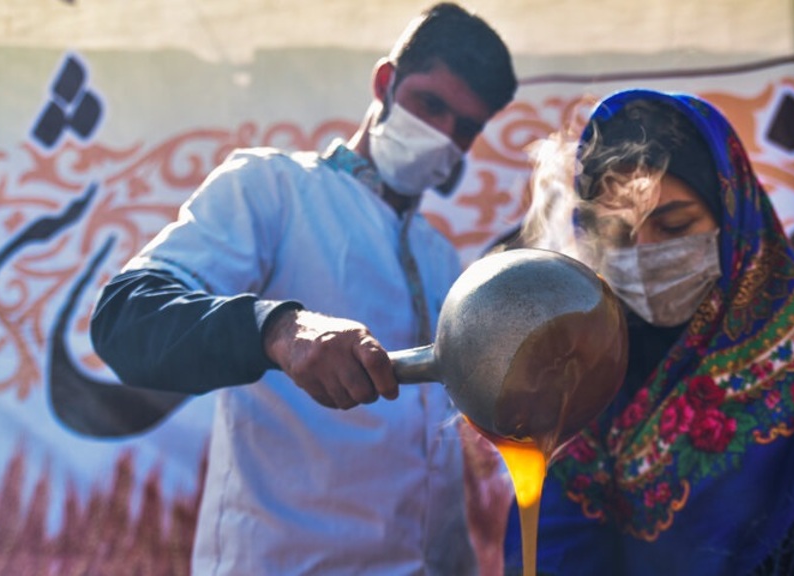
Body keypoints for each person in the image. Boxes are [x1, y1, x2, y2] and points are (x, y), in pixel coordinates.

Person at [89, 4, 516, 574]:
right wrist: (278, 329)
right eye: (431, 105)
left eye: (465, 128)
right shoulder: (270, 188)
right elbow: (126, 318)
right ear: (385, 84)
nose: (443, 136)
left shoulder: (441, 256)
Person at [502, 89, 794, 575]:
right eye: (619, 235)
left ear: (732, 213)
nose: (645, 251)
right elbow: (556, 545)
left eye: (674, 226)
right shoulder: (583, 363)